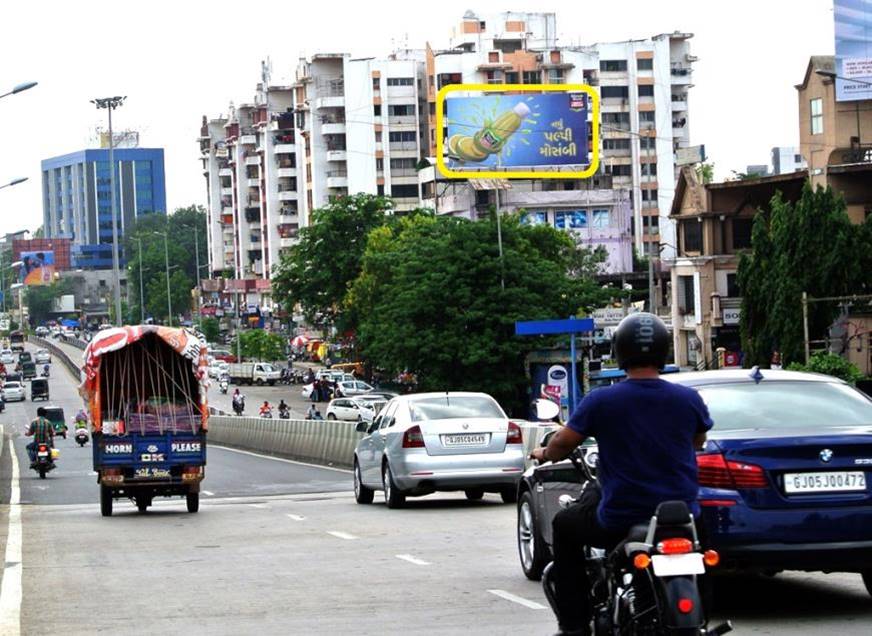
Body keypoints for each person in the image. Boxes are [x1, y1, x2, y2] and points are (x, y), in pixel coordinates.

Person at [530, 313, 713, 636]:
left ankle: (573, 625)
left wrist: (545, 453)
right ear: (663, 351)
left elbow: (563, 442)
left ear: (620, 352)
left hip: (621, 517)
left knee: (564, 526)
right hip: (681, 517)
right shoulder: (688, 399)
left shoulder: (603, 400)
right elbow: (697, 441)